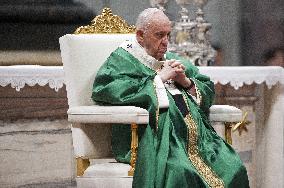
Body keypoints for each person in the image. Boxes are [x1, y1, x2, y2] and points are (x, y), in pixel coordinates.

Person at [92, 8, 249, 188]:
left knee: (233, 167)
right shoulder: (123, 60)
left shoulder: (171, 58)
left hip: (199, 141)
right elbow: (105, 89)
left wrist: (185, 81)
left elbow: (206, 87)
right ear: (140, 35)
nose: (166, 42)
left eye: (168, 34)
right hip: (155, 140)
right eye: (159, 35)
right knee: (181, 173)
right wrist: (159, 79)